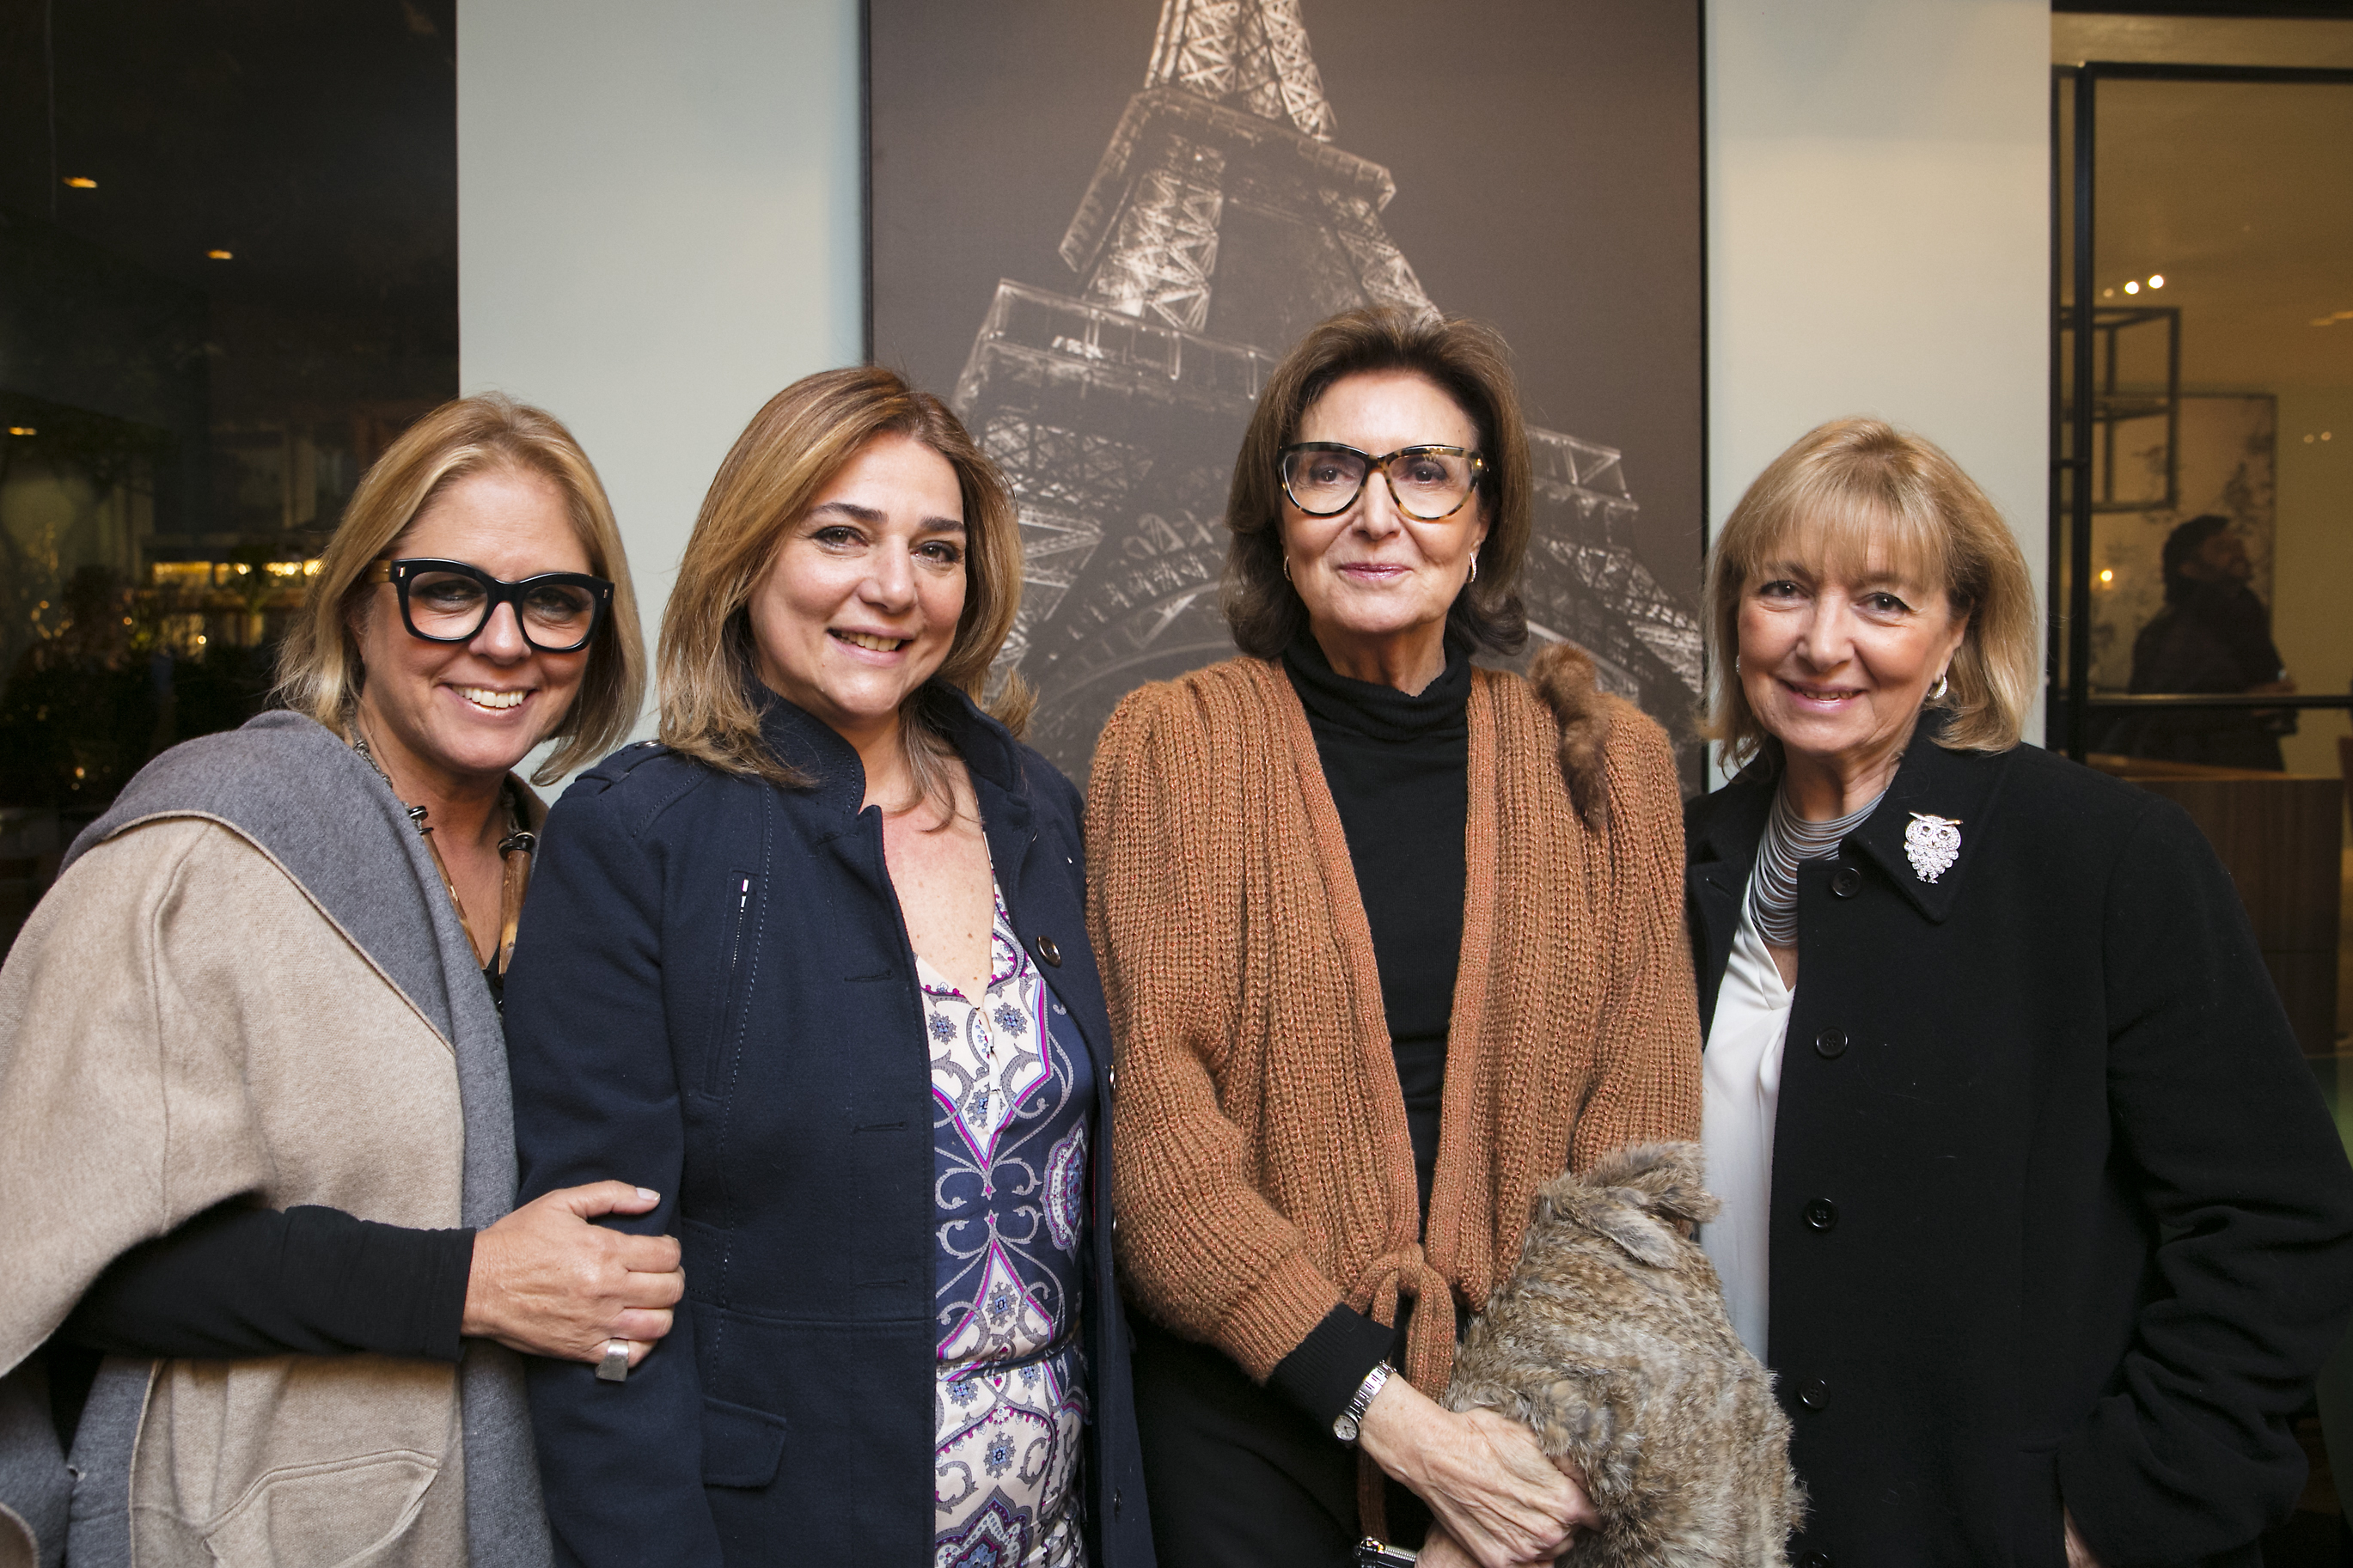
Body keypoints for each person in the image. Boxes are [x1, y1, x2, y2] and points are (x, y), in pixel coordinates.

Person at [0, 394, 683, 1567]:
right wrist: (463, 1283)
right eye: (449, 588)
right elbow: (65, 1263)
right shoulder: (205, 848)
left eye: (553, 601)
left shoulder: (580, 865)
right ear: (363, 600)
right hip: (254, 1528)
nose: (505, 640)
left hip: (546, 1512)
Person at [501, 366, 1153, 1567]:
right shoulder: (636, 834)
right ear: (749, 554)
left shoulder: (1037, 807)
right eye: (839, 535)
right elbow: (602, 1300)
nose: (892, 587)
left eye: (936, 548)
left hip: (1055, 1533)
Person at [1088, 306, 1702, 1568]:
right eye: (1331, 470)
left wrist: (1505, 1468)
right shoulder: (1167, 748)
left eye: (1426, 471)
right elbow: (1159, 1143)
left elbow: (1637, 1157)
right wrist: (1404, 1429)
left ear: (1485, 521)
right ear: (1280, 513)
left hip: (1537, 1421)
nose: (1378, 514)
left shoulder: (1613, 769)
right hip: (1250, 1409)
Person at [1685, 417, 2353, 1566]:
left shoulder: (2102, 858)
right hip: (1723, 1532)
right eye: (1783, 589)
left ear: (1957, 634)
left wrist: (2108, 1516)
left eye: (1882, 602)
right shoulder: (1676, 865)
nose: (1820, 642)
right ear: (1735, 616)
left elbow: (2274, 1221)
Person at [2109, 512, 2296, 770]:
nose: (2237, 553)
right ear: (2189, 567)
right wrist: (2245, 705)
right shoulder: (2176, 628)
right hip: (2194, 769)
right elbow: (2155, 713)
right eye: (2221, 548)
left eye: (2238, 545)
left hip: (2247, 762)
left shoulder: (2244, 610)